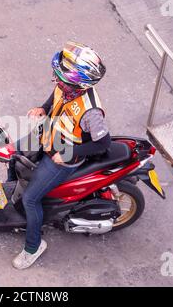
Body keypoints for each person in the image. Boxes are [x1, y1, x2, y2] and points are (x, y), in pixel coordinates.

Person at [12, 41, 111, 269]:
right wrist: (42, 109)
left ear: (78, 84)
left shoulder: (91, 111)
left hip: (64, 159)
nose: (56, 80)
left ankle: (33, 247)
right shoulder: (66, 86)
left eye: (60, 78)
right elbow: (54, 98)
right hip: (47, 138)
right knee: (12, 154)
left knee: (31, 199)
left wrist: (69, 153)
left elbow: (103, 142)